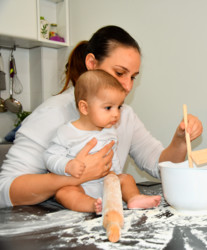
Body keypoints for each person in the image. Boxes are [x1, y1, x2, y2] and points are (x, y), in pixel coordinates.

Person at [0, 25, 203, 208]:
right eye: (120, 73)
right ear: (91, 63)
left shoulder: (124, 116)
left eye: (132, 77)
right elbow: (5, 190)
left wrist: (180, 140)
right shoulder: (52, 114)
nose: (128, 86)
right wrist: (74, 177)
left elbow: (161, 168)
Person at [44, 70, 161, 213]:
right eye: (108, 108)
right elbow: (49, 157)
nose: (116, 114)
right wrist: (67, 165)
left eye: (119, 107)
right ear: (85, 107)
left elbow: (113, 157)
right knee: (64, 193)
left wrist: (116, 174)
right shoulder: (66, 132)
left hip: (105, 183)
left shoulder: (109, 132)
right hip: (79, 186)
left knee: (127, 178)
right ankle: (92, 205)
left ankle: (134, 198)